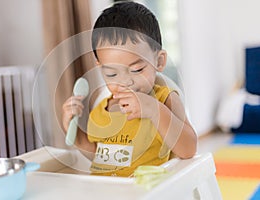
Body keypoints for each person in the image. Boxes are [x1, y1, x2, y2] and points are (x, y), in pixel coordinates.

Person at [62, 1, 197, 177]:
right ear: (100, 67)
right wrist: (75, 134)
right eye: (111, 74)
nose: (126, 82)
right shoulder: (101, 111)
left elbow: (189, 149)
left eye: (136, 70)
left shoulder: (165, 99)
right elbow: (99, 156)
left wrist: (154, 110)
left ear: (159, 61)